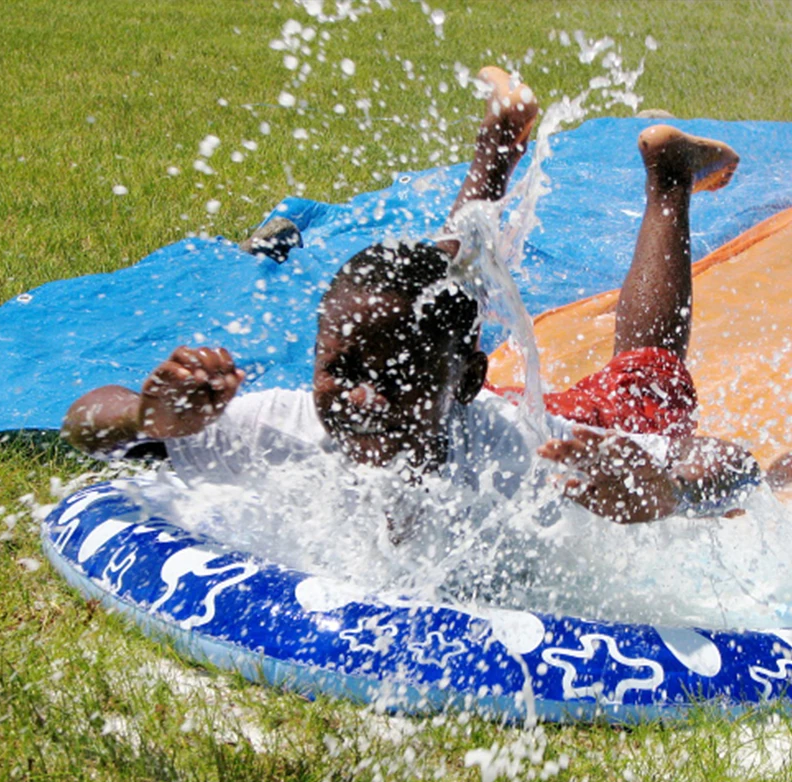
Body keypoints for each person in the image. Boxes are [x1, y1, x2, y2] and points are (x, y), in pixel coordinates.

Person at [62, 68, 760, 527]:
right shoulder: (289, 424)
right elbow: (83, 421)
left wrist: (660, 489)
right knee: (408, 292)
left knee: (646, 373)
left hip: (566, 419)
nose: (363, 397)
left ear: (467, 382)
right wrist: (143, 414)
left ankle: (667, 180)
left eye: (394, 377)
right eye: (340, 367)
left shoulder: (533, 457)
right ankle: (495, 148)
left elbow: (732, 462)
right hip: (455, 373)